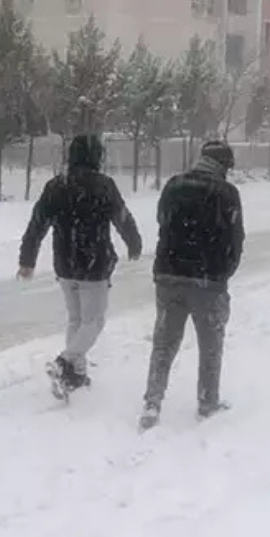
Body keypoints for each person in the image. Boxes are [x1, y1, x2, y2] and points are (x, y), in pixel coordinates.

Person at [19, 134, 142, 399]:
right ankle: (64, 362)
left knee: (76, 320)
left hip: (65, 264)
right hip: (94, 264)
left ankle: (76, 375)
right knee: (94, 322)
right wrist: (133, 242)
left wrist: (27, 259)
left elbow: (37, 224)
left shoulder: (56, 186)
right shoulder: (103, 185)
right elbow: (122, 217)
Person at [140, 141, 244, 430]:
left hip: (168, 275)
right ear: (223, 166)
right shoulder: (227, 193)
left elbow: (162, 221)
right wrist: (223, 273)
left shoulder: (174, 185)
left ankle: (152, 402)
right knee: (210, 345)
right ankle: (207, 402)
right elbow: (236, 240)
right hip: (208, 281)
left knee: (164, 343)